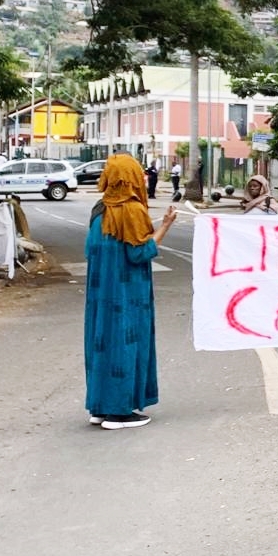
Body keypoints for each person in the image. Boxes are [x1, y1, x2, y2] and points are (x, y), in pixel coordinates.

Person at [84, 153, 177, 430]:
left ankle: (99, 407)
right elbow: (140, 253)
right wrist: (166, 226)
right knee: (126, 343)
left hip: (100, 294)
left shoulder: (99, 209)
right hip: (127, 293)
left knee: (101, 344)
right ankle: (120, 413)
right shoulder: (132, 209)